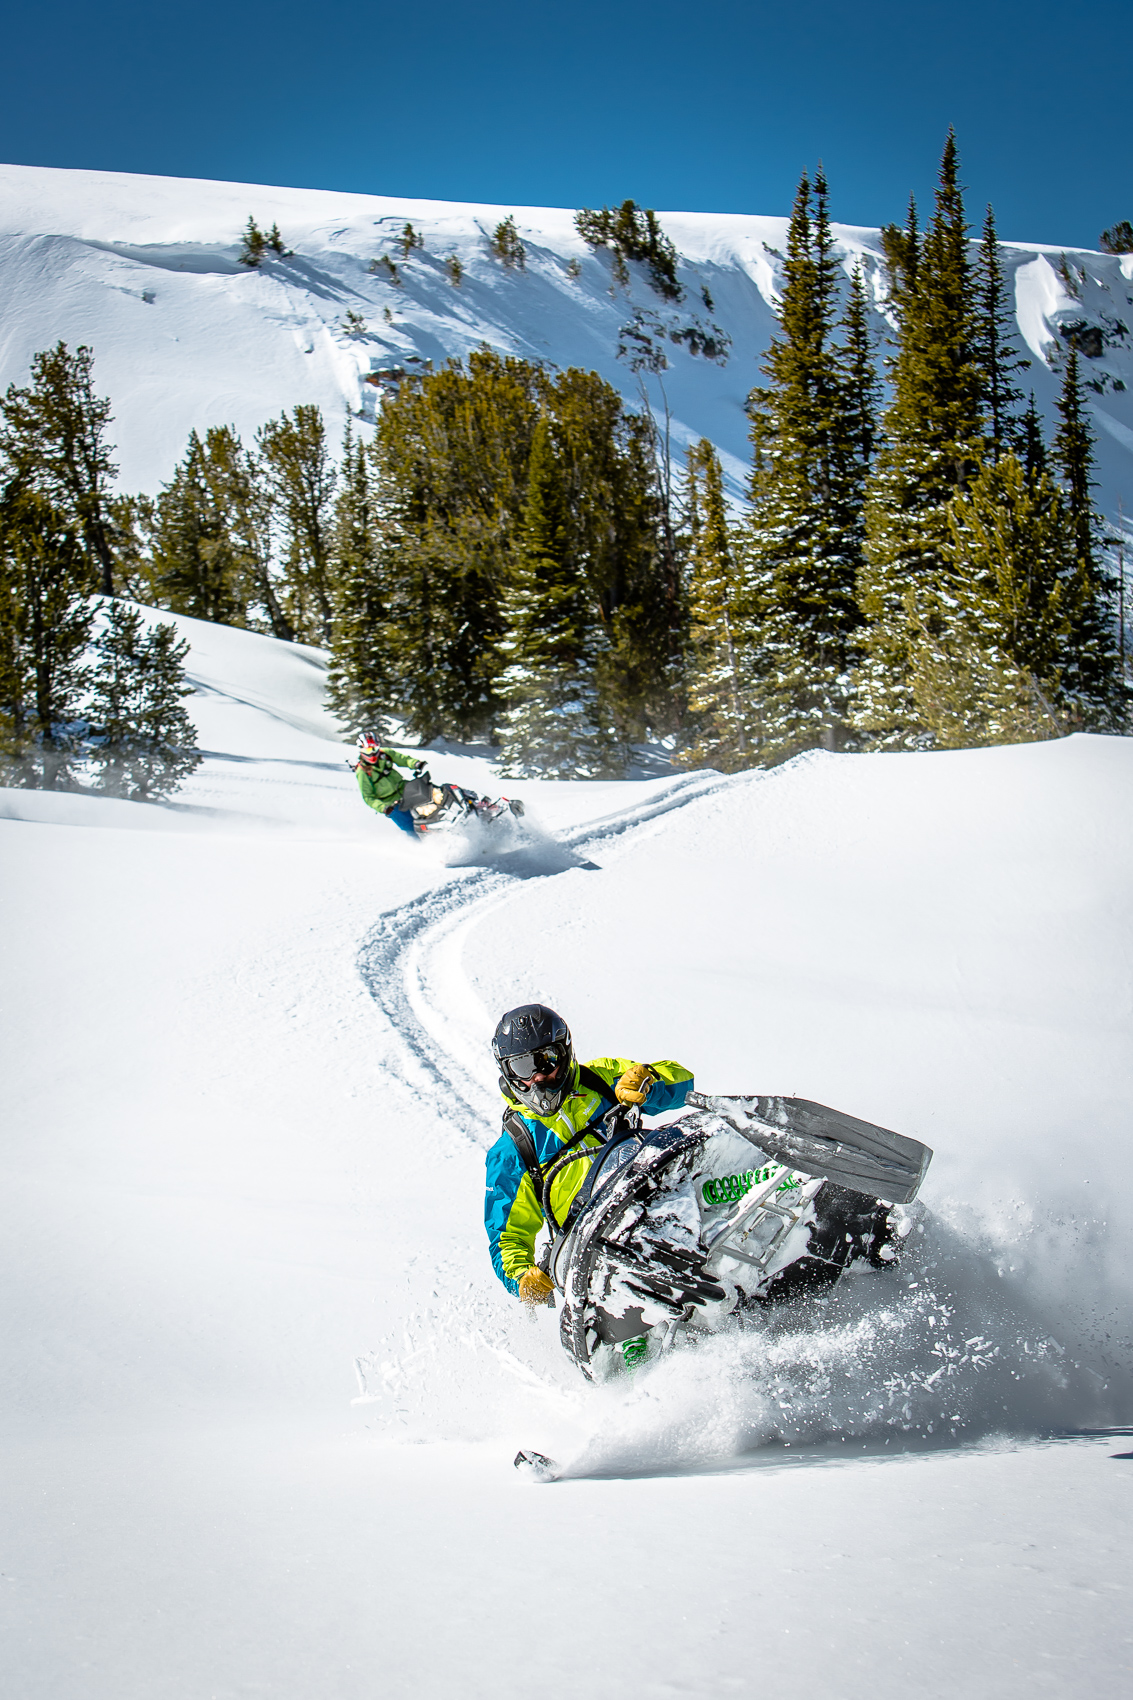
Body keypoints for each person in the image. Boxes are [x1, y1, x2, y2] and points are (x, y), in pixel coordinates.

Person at [484, 1003, 693, 1304]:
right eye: (523, 1068)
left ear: (565, 1053)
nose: (538, 1078)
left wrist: (649, 1080)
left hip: (650, 1192)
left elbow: (683, 1081)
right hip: (591, 1244)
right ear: (508, 1072)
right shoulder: (513, 1149)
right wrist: (522, 1277)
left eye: (546, 1061)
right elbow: (506, 1235)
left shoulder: (601, 1079)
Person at [353, 732, 433, 836]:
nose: (372, 753)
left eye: (375, 749)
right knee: (409, 824)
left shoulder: (385, 754)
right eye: (368, 750)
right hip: (390, 803)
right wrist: (383, 808)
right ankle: (420, 842)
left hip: (404, 789)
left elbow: (403, 759)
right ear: (361, 750)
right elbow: (368, 797)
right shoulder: (362, 771)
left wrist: (415, 763)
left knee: (430, 796)